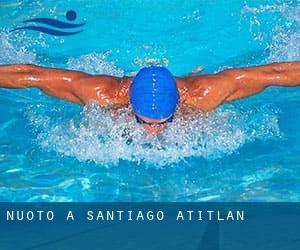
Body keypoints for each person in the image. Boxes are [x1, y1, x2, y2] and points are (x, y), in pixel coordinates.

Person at [0, 62, 299, 134]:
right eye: (143, 121)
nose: (153, 131)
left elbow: (273, 74)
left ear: (177, 107)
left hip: (191, 84)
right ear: (130, 105)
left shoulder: (204, 94)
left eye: (163, 122)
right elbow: (31, 75)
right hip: (117, 85)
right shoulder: (101, 93)